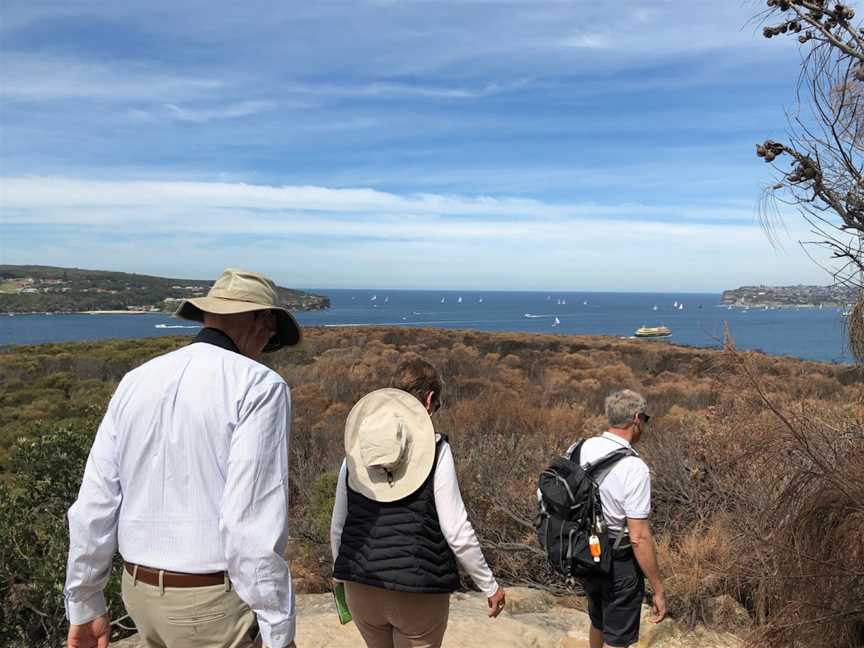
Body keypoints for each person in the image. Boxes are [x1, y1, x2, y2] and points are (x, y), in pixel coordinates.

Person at [64, 268, 302, 648]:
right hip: (211, 602)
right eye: (272, 333)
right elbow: (250, 523)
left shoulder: (136, 380)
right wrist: (278, 628)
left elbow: (94, 503)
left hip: (139, 594)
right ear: (262, 320)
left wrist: (85, 600)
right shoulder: (260, 386)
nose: (267, 343)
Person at [330, 359, 506, 648]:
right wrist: (489, 585)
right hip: (418, 590)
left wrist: (341, 575)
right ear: (428, 400)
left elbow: (339, 525)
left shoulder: (357, 452)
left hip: (360, 583)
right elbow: (456, 530)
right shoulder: (438, 451)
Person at [570, 389, 666, 648]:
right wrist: (657, 587)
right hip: (618, 561)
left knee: (598, 622)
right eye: (645, 419)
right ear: (636, 418)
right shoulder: (634, 467)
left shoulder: (579, 448)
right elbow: (639, 536)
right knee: (618, 638)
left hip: (585, 553)